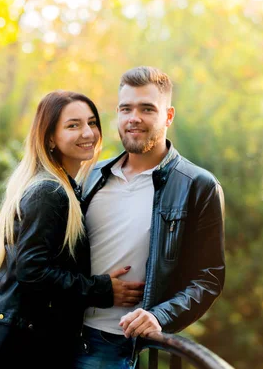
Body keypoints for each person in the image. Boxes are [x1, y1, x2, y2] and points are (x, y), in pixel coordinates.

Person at [0, 91, 144, 369]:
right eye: (73, 125)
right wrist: (99, 289)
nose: (88, 133)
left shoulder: (63, 185)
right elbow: (32, 271)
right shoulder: (50, 191)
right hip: (15, 345)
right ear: (50, 138)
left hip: (17, 336)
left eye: (91, 123)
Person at [74, 66, 226, 368]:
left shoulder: (198, 185)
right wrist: (3, 282)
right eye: (126, 108)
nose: (134, 118)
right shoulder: (89, 175)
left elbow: (208, 278)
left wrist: (159, 315)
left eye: (147, 109)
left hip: (116, 345)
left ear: (168, 116)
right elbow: (45, 245)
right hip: (55, 335)